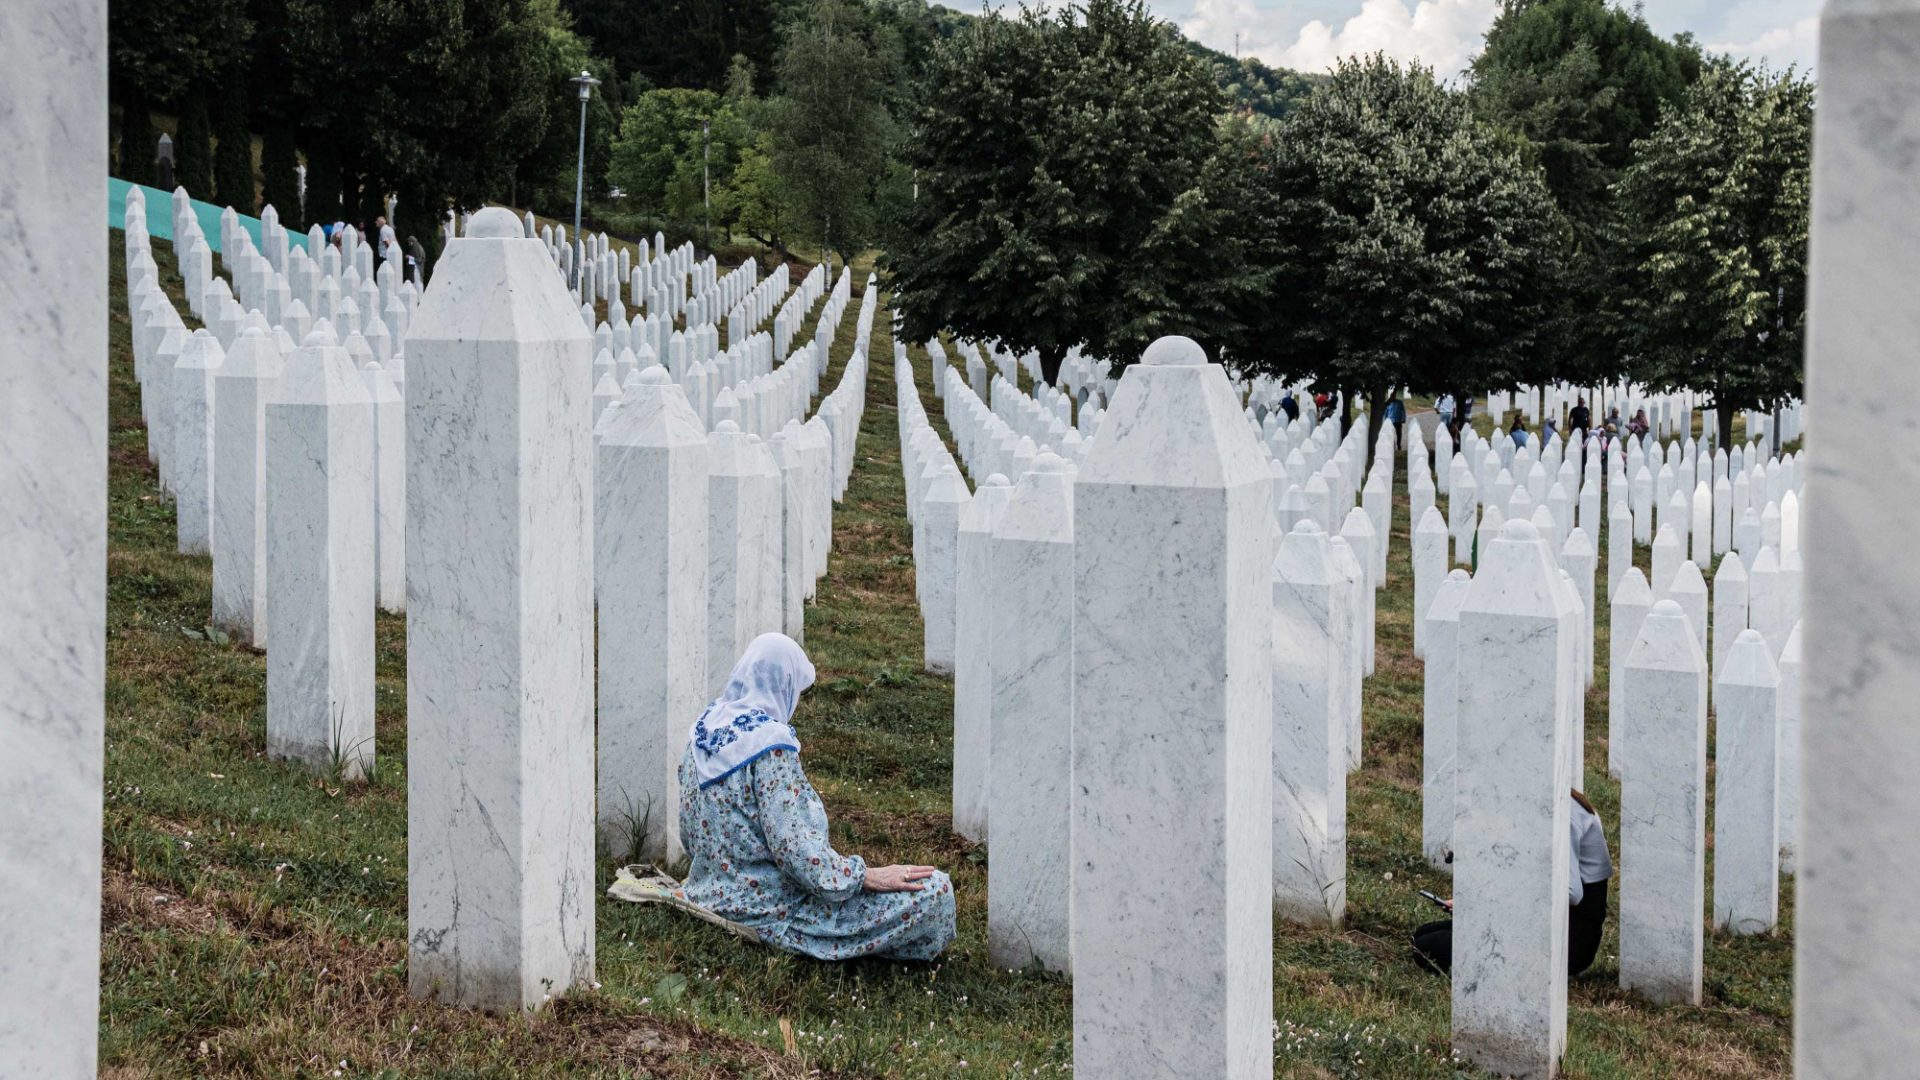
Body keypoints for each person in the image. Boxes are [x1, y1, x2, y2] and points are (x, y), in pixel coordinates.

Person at [679, 633, 956, 961]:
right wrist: (864, 876)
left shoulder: (702, 732)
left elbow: (689, 837)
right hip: (769, 909)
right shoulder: (770, 746)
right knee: (935, 891)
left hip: (706, 891)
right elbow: (797, 855)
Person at [1412, 790, 1613, 977]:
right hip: (1544, 924)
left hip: (1571, 939)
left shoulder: (1564, 814)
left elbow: (1571, 893)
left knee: (1427, 946)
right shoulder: (1548, 803)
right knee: (1423, 934)